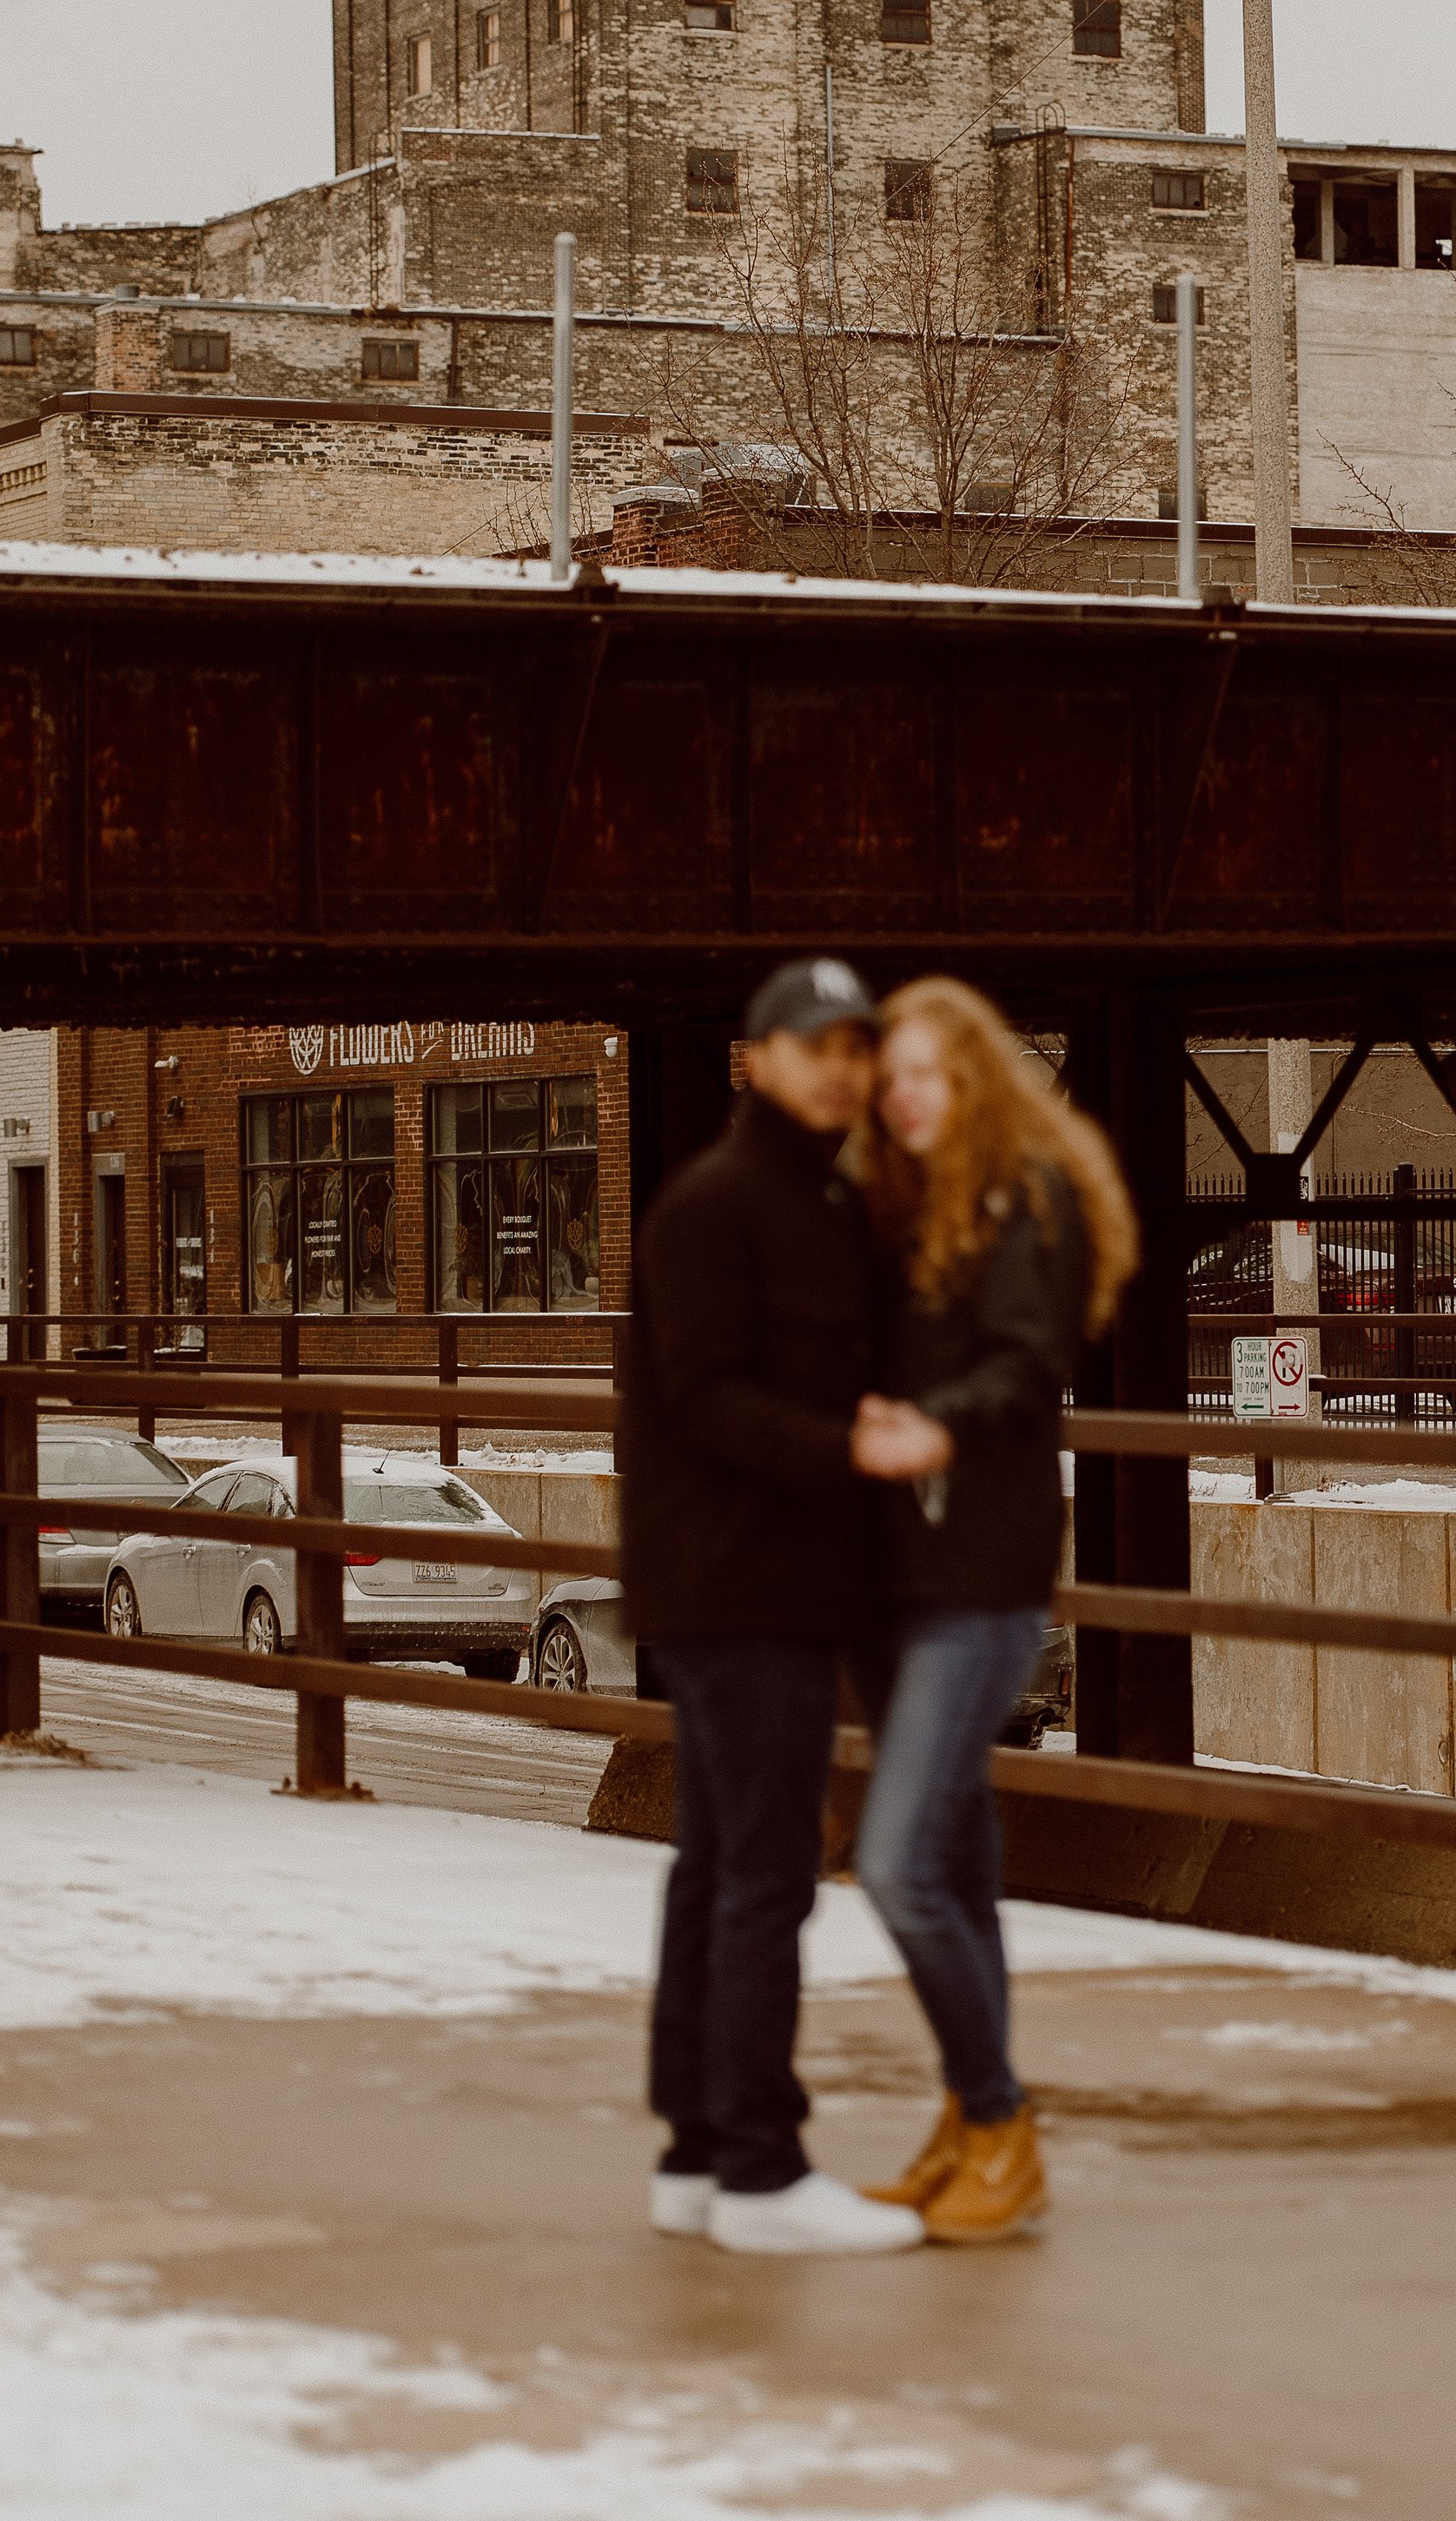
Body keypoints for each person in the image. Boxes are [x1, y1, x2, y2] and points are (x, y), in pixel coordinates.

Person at [619, 955, 946, 2257]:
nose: (842, 1065)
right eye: (816, 1046)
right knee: (766, 1875)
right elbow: (703, 1397)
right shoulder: (719, 1204)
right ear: (757, 1058)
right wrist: (847, 1447)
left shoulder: (814, 1199)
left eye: (856, 1046)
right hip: (743, 1581)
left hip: (750, 1579)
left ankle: (698, 2149)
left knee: (721, 1864)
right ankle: (760, 2164)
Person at [845, 977, 1139, 2244]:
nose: (907, 1094)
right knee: (956, 1868)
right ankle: (972, 2126)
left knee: (898, 1861)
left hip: (985, 1578)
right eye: (891, 1076)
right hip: (915, 1577)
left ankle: (1002, 2117)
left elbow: (1027, 1366)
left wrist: (928, 1429)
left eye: (929, 1072)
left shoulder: (1024, 1193)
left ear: (974, 1075)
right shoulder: (918, 1205)